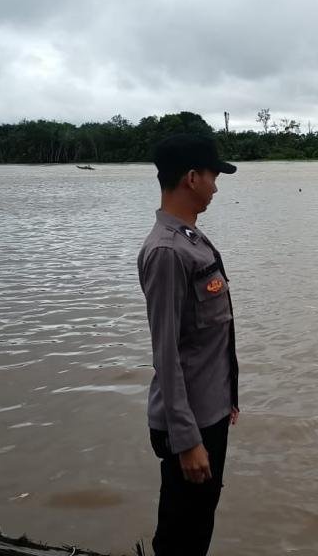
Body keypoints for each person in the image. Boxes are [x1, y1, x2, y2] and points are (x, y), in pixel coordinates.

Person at [137, 133, 240, 556]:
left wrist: (227, 399)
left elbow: (208, 339)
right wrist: (187, 440)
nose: (216, 187)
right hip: (189, 424)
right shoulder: (167, 251)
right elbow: (166, 354)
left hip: (208, 411)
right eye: (214, 177)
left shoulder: (191, 239)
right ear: (192, 178)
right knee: (181, 536)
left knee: (198, 526)